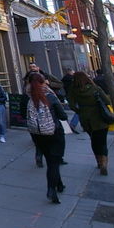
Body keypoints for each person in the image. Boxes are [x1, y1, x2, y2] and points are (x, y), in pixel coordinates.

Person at [26, 72, 68, 204]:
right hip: (53, 133)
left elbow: (23, 115)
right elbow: (63, 116)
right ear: (44, 82)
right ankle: (51, 189)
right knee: (54, 162)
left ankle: (59, 184)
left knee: (51, 160)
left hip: (37, 135)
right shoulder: (50, 96)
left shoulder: (28, 98)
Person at [67, 71, 112, 175]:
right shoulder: (95, 88)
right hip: (99, 116)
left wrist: (80, 111)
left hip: (85, 118)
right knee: (102, 141)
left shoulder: (73, 90)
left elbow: (71, 105)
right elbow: (107, 100)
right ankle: (104, 162)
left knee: (94, 140)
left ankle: (99, 162)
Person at [23, 63, 66, 167]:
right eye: (30, 67)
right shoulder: (49, 96)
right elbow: (62, 115)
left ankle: (41, 157)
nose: (32, 68)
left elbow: (59, 84)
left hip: (35, 126)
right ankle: (57, 159)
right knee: (55, 147)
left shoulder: (29, 95)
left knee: (40, 143)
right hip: (51, 126)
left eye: (34, 66)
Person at [60, 68, 81, 133]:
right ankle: (73, 124)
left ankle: (75, 124)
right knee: (80, 110)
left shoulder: (66, 79)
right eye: (72, 72)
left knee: (79, 110)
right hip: (75, 96)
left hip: (70, 96)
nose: (73, 73)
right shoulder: (72, 80)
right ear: (69, 72)